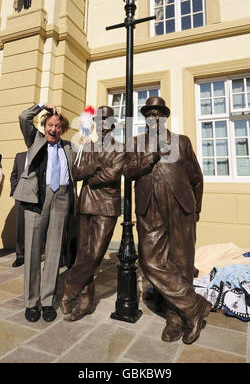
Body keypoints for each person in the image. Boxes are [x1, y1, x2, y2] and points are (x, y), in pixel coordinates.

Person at [123, 96, 212, 345]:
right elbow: (128, 173)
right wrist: (149, 158)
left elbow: (196, 177)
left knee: (182, 263)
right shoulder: (136, 143)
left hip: (181, 207)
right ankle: (194, 306)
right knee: (150, 260)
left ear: (165, 116)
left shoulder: (181, 142)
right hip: (150, 208)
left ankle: (175, 317)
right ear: (145, 118)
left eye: (158, 113)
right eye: (149, 114)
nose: (154, 118)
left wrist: (196, 209)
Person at [13, 103, 76, 323]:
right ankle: (31, 303)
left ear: (62, 129)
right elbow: (23, 116)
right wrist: (43, 106)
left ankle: (48, 300)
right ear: (44, 126)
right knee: (32, 252)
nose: (53, 129)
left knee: (54, 251)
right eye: (49, 125)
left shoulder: (69, 147)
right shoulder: (34, 140)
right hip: (37, 199)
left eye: (58, 126)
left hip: (62, 197)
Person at [60, 106, 124, 321]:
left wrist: (93, 176)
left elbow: (113, 175)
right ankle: (85, 300)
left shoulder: (121, 148)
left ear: (113, 125)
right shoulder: (88, 146)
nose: (103, 124)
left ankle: (70, 288)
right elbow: (77, 173)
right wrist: (95, 165)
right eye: (100, 120)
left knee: (96, 255)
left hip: (107, 206)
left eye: (107, 121)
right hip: (86, 204)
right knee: (83, 254)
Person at [10, 151, 27, 267]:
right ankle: (20, 255)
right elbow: (14, 175)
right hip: (20, 197)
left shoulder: (42, 154)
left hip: (37, 198)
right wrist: (15, 190)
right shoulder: (20, 156)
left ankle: (37, 253)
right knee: (20, 226)